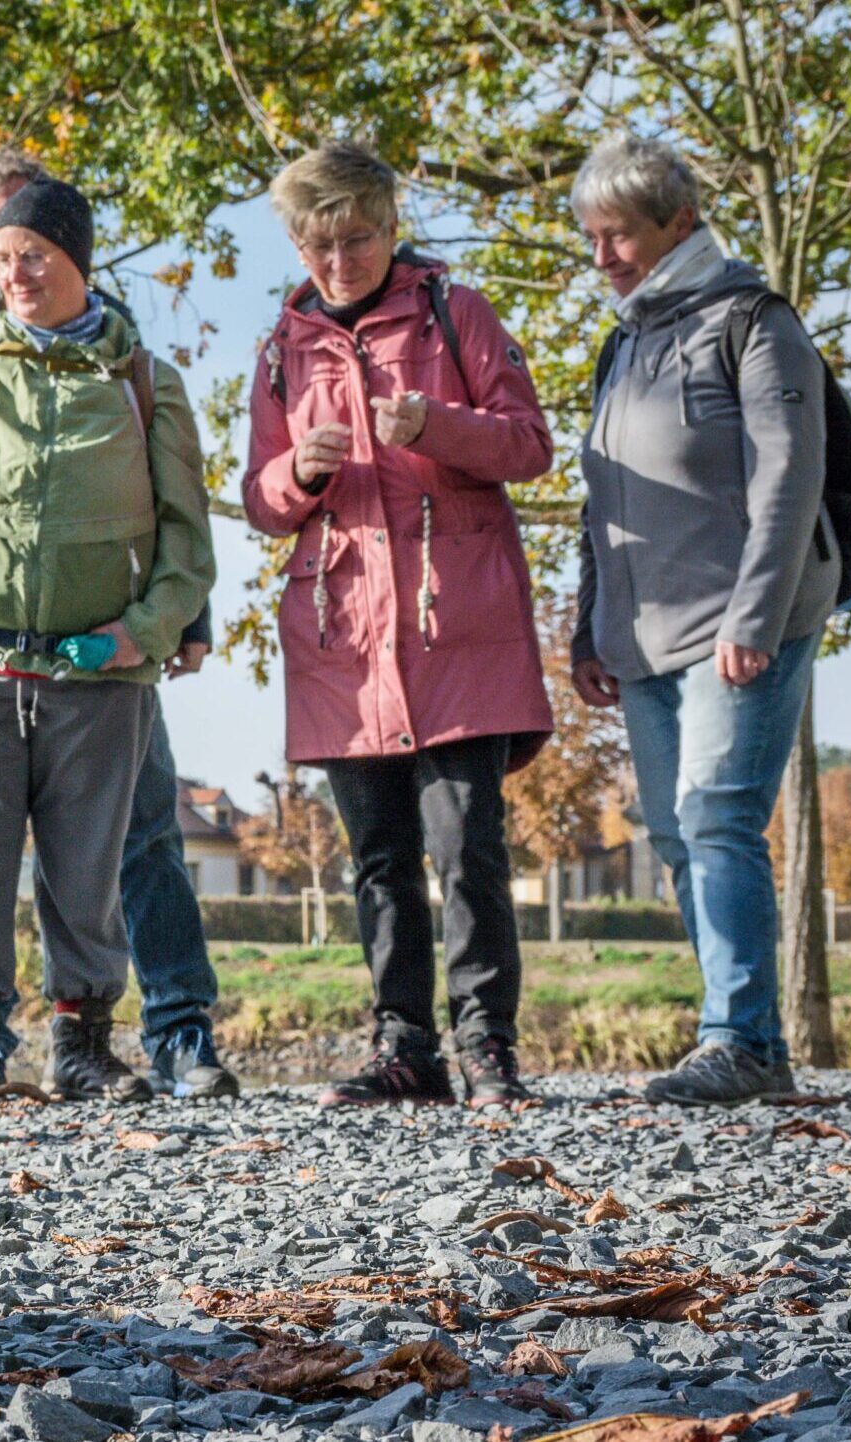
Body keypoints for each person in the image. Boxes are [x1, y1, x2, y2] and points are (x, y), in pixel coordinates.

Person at [0, 148, 239, 1102]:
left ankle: (81, 1042)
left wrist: (147, 631)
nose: (13, 271)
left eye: (32, 253)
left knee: (90, 862)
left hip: (99, 672)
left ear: (77, 259)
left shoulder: (145, 378)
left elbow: (188, 540)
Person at [240, 141, 556, 1109]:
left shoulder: (457, 313)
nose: (339, 261)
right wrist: (298, 471)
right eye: (319, 245)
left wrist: (437, 427)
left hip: (457, 626)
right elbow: (260, 501)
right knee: (377, 857)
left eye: (358, 239)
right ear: (297, 244)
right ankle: (406, 1050)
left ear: (389, 225)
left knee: (468, 850)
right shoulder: (280, 349)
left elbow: (530, 446)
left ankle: (487, 1048)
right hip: (344, 639)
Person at [571, 134, 841, 1106]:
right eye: (590, 237)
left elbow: (789, 474)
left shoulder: (753, 320)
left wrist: (755, 614)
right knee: (676, 835)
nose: (601, 255)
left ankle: (739, 1040)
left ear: (679, 223)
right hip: (641, 636)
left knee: (717, 814)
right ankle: (745, 1036)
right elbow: (600, 502)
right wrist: (587, 628)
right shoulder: (622, 341)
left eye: (618, 234)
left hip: (739, 621)